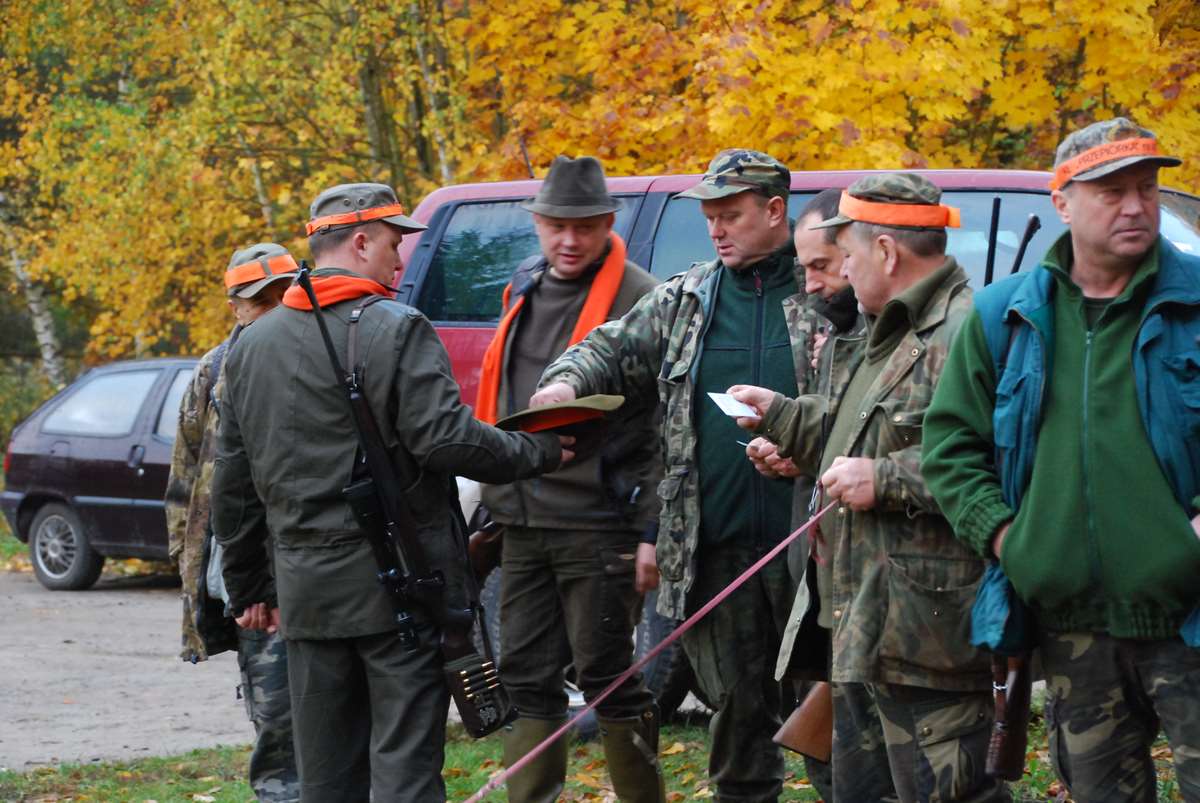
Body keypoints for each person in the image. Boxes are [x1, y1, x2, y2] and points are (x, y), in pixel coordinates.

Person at [210, 183, 570, 803]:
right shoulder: (396, 327)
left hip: (306, 598)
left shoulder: (251, 347)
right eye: (393, 245)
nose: (400, 261)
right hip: (396, 592)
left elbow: (233, 487)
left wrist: (250, 588)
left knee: (326, 776)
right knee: (405, 771)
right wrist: (540, 450)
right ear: (360, 241)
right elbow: (447, 441)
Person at [922, 117, 1200, 802]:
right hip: (1073, 633)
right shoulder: (1005, 315)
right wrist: (1010, 540)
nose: (1135, 206)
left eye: (1146, 188)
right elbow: (950, 449)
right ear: (1063, 202)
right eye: (1111, 192)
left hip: (1192, 618)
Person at [534, 149, 807, 803]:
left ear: (775, 211)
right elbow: (607, 347)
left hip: (814, 550)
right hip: (719, 550)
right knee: (738, 727)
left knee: (836, 725)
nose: (716, 229)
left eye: (730, 214)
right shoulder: (687, 298)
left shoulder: (826, 288)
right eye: (709, 216)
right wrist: (565, 384)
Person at [730, 173, 1006, 803]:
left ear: (885, 251)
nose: (844, 271)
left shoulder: (966, 331)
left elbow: (997, 466)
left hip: (925, 633)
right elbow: (858, 431)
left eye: (848, 255)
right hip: (863, 621)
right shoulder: (884, 329)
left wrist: (883, 479)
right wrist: (782, 415)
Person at [475, 155, 665, 802]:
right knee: (525, 675)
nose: (569, 239)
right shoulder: (524, 286)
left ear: (609, 223)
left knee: (608, 676)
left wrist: (651, 529)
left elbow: (663, 428)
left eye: (584, 226)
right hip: (522, 519)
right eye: (556, 225)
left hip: (600, 521)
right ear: (537, 224)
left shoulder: (642, 297)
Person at [165, 243, 300, 802]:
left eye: (283, 296)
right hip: (254, 587)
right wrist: (195, 572)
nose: (273, 310)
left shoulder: (320, 357)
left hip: (322, 573)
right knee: (279, 725)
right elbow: (185, 481)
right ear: (235, 307)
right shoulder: (215, 370)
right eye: (259, 301)